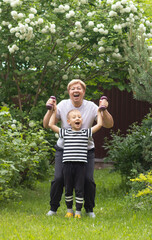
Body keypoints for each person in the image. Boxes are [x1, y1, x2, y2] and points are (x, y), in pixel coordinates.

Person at [43, 79, 114, 218]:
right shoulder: (63, 105)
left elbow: (108, 124)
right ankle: (53, 208)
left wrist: (103, 109)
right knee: (58, 178)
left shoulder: (91, 106)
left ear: (83, 92)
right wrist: (51, 108)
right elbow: (47, 124)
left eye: (79, 88)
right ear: (69, 92)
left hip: (85, 151)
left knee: (88, 180)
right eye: (72, 88)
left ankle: (89, 210)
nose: (76, 90)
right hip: (64, 150)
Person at [48, 107, 102, 218]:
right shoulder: (65, 133)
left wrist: (99, 111)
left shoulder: (86, 133)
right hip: (67, 165)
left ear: (82, 121)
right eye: (74, 117)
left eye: (79, 117)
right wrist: (54, 111)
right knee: (68, 188)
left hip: (80, 166)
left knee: (79, 188)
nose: (77, 119)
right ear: (69, 122)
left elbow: (99, 125)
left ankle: (78, 211)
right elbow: (51, 125)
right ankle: (69, 210)